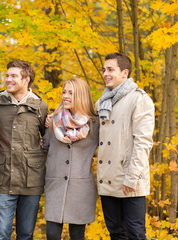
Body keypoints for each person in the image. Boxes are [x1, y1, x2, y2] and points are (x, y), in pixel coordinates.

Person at [96, 52, 154, 239]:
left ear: (125, 73)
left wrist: (132, 177)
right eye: (104, 70)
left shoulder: (139, 99)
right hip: (108, 177)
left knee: (135, 233)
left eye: (110, 69)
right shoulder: (102, 101)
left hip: (130, 179)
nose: (105, 73)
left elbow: (143, 142)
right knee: (116, 233)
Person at [0, 60, 48, 240]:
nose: (8, 79)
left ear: (26, 79)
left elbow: (49, 141)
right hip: (2, 177)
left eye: (13, 76)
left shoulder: (40, 107)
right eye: (7, 75)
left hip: (31, 180)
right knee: (0, 234)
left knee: (26, 234)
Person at [43, 78, 99, 240]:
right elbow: (44, 147)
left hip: (80, 188)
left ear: (81, 96)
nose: (65, 96)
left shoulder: (95, 124)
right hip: (55, 186)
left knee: (77, 235)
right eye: (64, 92)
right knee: (52, 234)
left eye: (71, 93)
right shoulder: (54, 121)